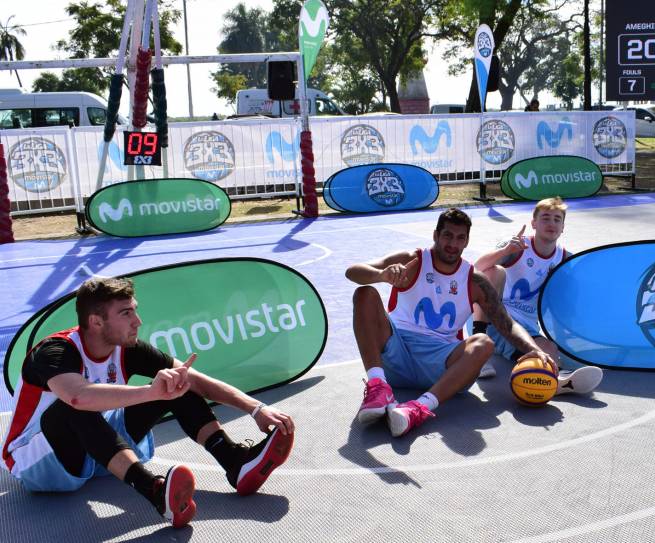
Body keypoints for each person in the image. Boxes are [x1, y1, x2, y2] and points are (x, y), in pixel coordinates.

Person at [1, 277, 296, 529]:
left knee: (178, 381)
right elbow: (78, 396)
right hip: (38, 462)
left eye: (135, 310)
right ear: (96, 321)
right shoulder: (54, 351)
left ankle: (234, 462)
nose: (138, 321)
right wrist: (152, 392)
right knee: (75, 406)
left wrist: (255, 408)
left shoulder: (125, 348)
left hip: (96, 449)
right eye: (126, 313)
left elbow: (197, 380)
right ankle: (155, 491)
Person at [346, 208, 557, 437]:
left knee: (483, 343)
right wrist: (381, 275)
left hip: (440, 366)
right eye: (448, 235)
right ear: (436, 235)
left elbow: (507, 324)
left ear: (466, 241)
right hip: (396, 354)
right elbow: (352, 271)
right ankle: (378, 387)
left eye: (460, 238)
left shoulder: (474, 280)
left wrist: (534, 350)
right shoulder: (412, 261)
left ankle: (419, 408)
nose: (453, 244)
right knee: (365, 294)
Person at [471, 197, 603, 394]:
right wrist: (504, 251)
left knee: (549, 349)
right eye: (545, 218)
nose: (551, 223)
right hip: (492, 317)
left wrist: (565, 342)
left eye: (557, 219)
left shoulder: (564, 259)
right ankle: (477, 347)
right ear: (534, 223)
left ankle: (554, 381)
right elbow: (476, 270)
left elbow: (565, 304)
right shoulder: (517, 245)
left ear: (563, 227)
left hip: (523, 326)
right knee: (493, 271)